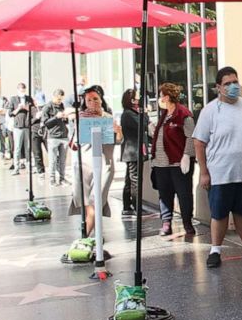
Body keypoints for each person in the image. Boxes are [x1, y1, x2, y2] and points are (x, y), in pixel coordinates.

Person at [193, 67, 242, 269]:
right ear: (218, 87)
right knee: (219, 213)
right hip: (221, 172)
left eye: (235, 81)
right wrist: (204, 172)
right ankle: (215, 250)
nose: (233, 86)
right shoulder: (210, 111)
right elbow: (199, 143)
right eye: (227, 83)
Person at [150, 82, 196, 238]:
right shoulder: (164, 114)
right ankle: (166, 223)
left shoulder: (183, 115)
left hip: (178, 163)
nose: (159, 98)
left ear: (167, 97)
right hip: (161, 163)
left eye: (160, 95)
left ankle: (187, 223)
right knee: (165, 194)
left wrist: (187, 155)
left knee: (184, 194)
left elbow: (191, 137)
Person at [77, 86, 123, 236]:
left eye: (95, 99)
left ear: (101, 99)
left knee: (95, 202)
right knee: (88, 205)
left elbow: (118, 141)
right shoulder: (81, 117)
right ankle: (95, 236)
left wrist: (118, 132)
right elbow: (76, 142)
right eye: (88, 100)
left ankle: (84, 237)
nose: (92, 102)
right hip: (85, 166)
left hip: (104, 165)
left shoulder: (108, 117)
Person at [119, 89, 146, 218]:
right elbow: (143, 124)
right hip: (133, 152)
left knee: (130, 180)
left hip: (132, 151)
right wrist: (144, 113)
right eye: (137, 98)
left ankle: (127, 206)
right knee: (135, 180)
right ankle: (136, 206)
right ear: (132, 100)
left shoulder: (128, 114)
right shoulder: (129, 114)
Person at [42, 90, 73, 186]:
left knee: (63, 160)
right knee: (53, 160)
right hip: (53, 137)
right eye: (58, 99)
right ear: (54, 96)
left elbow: (67, 121)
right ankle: (52, 179)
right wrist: (56, 116)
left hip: (63, 135)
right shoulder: (47, 107)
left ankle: (62, 178)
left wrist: (66, 117)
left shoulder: (63, 106)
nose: (60, 101)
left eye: (61, 99)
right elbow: (45, 123)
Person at [9, 84, 35, 174]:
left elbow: (33, 111)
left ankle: (29, 167)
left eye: (24, 90)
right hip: (18, 126)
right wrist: (18, 108)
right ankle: (16, 168)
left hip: (27, 125)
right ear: (17, 90)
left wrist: (27, 108)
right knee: (17, 148)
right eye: (21, 90)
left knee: (28, 147)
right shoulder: (13, 99)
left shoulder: (29, 98)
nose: (22, 92)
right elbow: (10, 113)